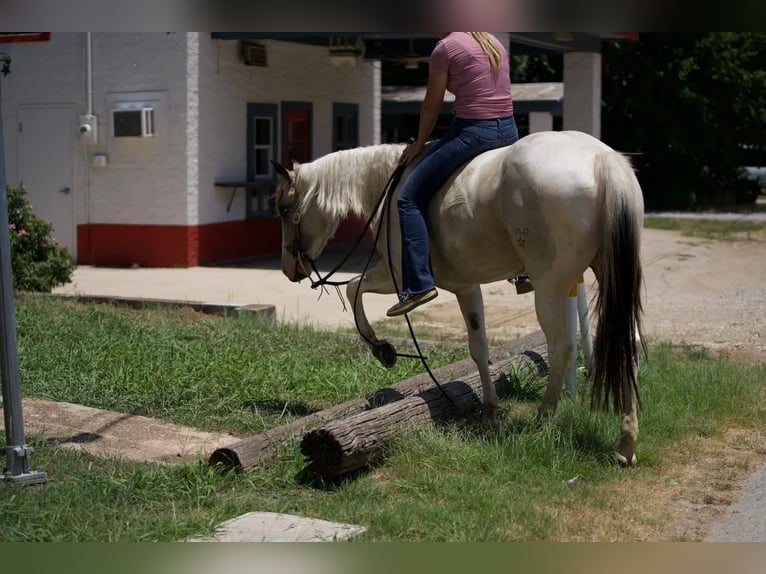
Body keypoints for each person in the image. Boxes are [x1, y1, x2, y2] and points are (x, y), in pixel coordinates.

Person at [386, 32, 520, 317]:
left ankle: (418, 285)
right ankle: (522, 269)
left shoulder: (445, 48)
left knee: (408, 198)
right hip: (509, 131)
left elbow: (432, 104)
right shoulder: (492, 40)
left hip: (474, 132)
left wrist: (420, 143)